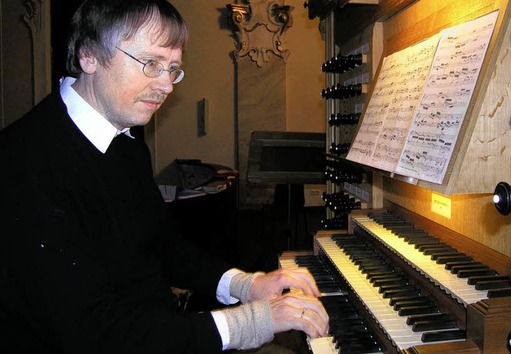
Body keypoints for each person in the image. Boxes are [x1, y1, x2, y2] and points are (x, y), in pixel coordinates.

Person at [0, 0, 329, 353]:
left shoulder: (126, 145)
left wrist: (245, 286)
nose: (167, 85)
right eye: (151, 63)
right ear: (89, 55)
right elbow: (90, 332)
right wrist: (253, 322)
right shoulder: (22, 163)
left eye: (173, 68)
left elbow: (162, 247)